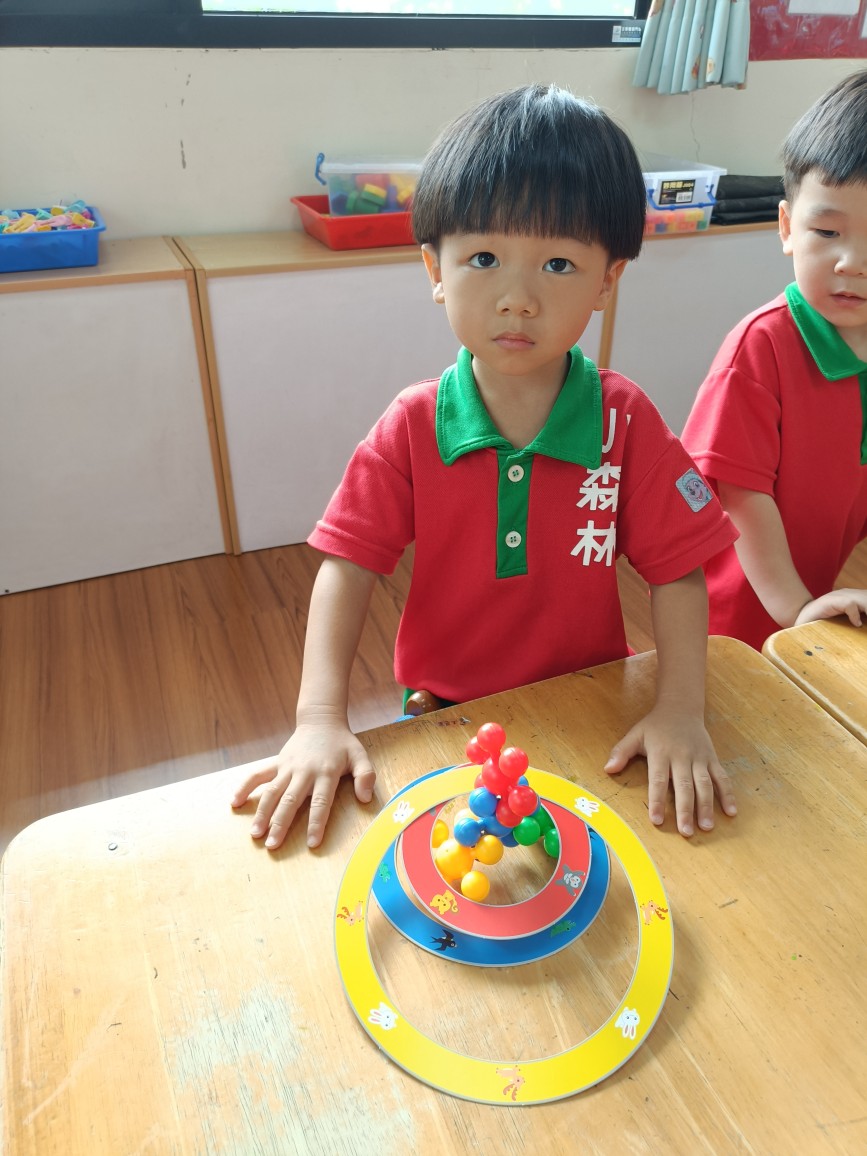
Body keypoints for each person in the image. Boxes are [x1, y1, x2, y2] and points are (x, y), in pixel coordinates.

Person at [232, 84, 738, 849]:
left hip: (590, 699)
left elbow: (678, 572)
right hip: (445, 713)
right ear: (433, 267)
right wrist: (318, 720)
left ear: (607, 280)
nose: (517, 299)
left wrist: (678, 709)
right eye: (483, 258)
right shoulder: (412, 424)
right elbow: (347, 566)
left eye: (559, 263)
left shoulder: (623, 419)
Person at [681, 70, 867, 651]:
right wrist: (796, 607)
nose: (852, 262)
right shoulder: (760, 348)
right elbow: (740, 495)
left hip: (810, 606)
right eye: (827, 231)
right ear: (787, 227)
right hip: (725, 618)